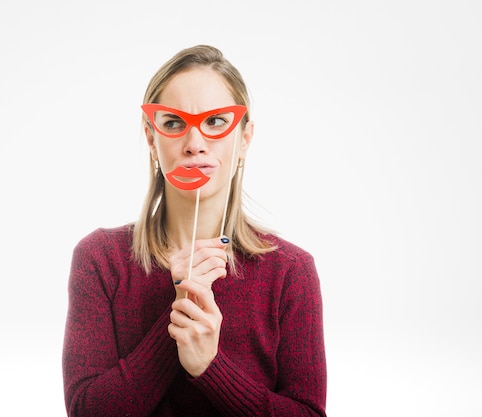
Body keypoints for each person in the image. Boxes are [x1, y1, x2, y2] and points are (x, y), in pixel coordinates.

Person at [62, 45, 327, 417]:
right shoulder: (101, 259)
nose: (195, 144)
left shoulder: (290, 272)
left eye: (216, 122)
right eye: (173, 123)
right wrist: (177, 317)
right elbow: (86, 411)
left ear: (245, 139)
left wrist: (210, 368)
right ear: (152, 139)